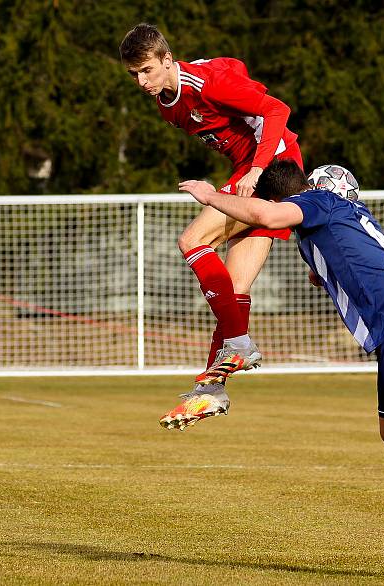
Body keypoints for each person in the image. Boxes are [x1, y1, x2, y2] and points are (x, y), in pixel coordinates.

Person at [178, 160, 384, 582]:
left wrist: (210, 196)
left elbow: (268, 215)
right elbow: (343, 261)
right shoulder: (342, 215)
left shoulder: (317, 201)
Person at [119, 23, 304, 429]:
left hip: (271, 166)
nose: (142, 81)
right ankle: (212, 389)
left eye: (148, 70)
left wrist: (256, 170)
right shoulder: (167, 102)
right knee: (233, 294)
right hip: (255, 168)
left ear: (167, 59)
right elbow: (233, 66)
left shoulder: (204, 84)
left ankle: (239, 347)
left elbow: (278, 110)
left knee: (192, 239)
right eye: (134, 75)